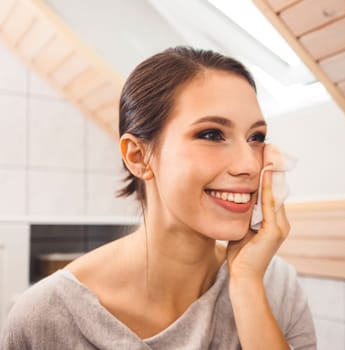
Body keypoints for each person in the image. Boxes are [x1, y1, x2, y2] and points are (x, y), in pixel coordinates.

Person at [0, 46, 316, 349]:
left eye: (256, 137)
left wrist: (247, 285)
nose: (249, 164)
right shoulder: (44, 317)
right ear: (138, 156)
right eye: (211, 134)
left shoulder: (275, 286)